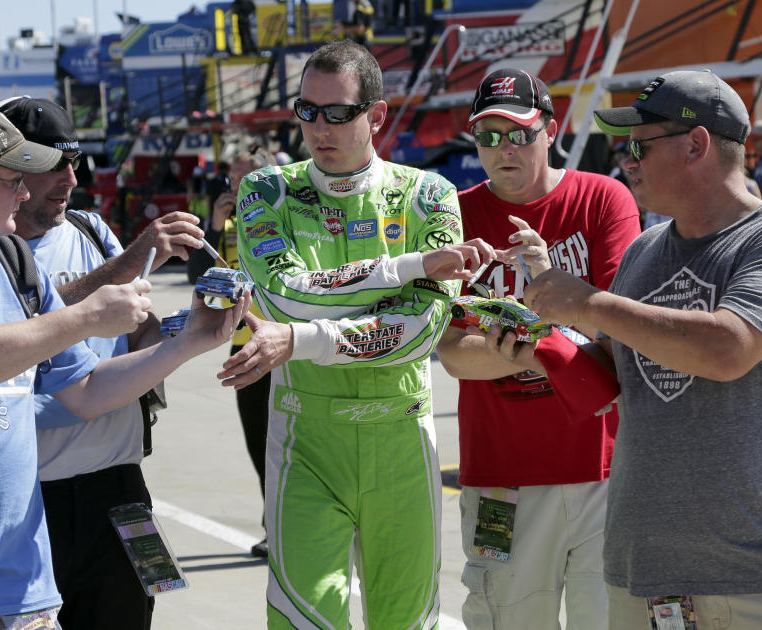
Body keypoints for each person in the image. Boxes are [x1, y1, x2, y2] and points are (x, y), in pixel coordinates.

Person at [0, 101, 249, 626]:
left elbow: (85, 389)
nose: (26, 189)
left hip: (21, 594)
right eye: (14, 176)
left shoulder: (18, 268)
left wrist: (189, 340)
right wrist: (83, 319)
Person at [216, 39, 492, 629]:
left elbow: (418, 331)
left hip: (402, 438)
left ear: (377, 114)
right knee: (302, 621)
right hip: (305, 441)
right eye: (306, 110)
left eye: (338, 112)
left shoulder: (428, 196)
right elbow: (287, 293)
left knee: (407, 621)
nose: (320, 126)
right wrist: (410, 267)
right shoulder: (267, 192)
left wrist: (300, 340)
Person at [524, 69, 762, 628]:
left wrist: (586, 304)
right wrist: (534, 340)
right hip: (645, 575)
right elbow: (616, 379)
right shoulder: (643, 251)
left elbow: (727, 350)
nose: (626, 160)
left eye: (638, 145)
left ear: (697, 144)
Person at [434, 68, 639, 630]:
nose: (504, 149)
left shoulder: (602, 198)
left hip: (604, 471)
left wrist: (544, 299)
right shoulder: (453, 215)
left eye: (519, 133)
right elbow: (453, 354)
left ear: (550, 129)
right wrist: (544, 338)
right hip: (501, 479)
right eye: (488, 136)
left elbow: (618, 333)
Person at [0, 96, 208, 630]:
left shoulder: (92, 230)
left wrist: (194, 327)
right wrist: (132, 260)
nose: (70, 177)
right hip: (27, 501)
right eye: (53, 164)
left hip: (119, 491)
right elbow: (27, 324)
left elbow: (141, 334)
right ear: (11, 169)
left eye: (75, 161)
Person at [186, 143, 277, 558]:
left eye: (245, 178)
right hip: (243, 350)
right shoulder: (226, 226)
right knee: (259, 444)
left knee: (291, 446)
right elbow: (199, 282)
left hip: (282, 347)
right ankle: (273, 528)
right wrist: (214, 224)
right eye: (232, 179)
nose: (236, 186)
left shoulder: (281, 219)